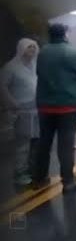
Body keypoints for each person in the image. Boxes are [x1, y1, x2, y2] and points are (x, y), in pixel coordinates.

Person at [33, 24, 76, 193]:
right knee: (65, 144)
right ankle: (68, 181)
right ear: (65, 34)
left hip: (45, 105)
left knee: (44, 142)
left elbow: (39, 73)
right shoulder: (74, 53)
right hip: (67, 105)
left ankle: (39, 178)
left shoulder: (42, 52)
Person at [0, 38, 39, 187]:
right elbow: (2, 87)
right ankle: (19, 173)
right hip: (21, 110)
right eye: (29, 47)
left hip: (35, 110)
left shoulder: (34, 65)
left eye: (34, 47)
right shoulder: (11, 67)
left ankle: (31, 169)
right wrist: (12, 104)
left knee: (35, 141)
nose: (32, 50)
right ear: (21, 49)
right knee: (22, 144)